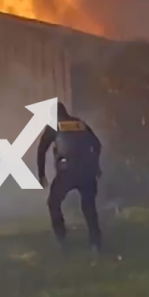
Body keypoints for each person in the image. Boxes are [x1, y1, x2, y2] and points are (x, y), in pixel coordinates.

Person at [37, 102, 103, 253]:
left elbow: (41, 150)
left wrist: (41, 174)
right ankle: (95, 243)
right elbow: (97, 144)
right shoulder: (79, 124)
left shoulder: (54, 126)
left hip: (67, 172)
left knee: (53, 203)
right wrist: (95, 165)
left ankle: (62, 240)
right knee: (89, 207)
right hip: (87, 170)